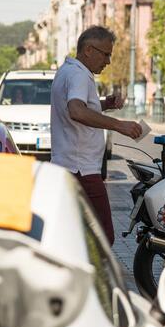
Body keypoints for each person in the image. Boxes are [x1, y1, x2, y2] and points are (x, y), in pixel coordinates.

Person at [50, 25, 142, 245]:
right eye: (106, 54)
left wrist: (104, 104)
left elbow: (77, 105)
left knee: (75, 235)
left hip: (68, 165)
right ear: (89, 50)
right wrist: (120, 126)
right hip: (82, 169)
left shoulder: (68, 70)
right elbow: (76, 110)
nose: (108, 61)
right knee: (103, 237)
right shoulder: (80, 75)